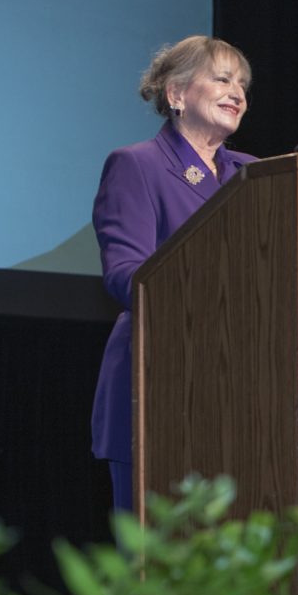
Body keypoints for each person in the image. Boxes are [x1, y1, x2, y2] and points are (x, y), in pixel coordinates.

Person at [91, 36, 256, 512]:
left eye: (242, 84)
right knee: (154, 572)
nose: (237, 93)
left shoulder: (257, 175)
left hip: (242, 389)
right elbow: (126, 275)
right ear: (177, 94)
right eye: (222, 79)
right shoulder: (137, 165)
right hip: (160, 382)